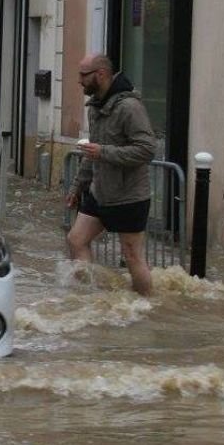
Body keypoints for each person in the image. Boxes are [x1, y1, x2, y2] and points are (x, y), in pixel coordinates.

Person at [65, 53, 157, 296]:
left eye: (84, 75)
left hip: (129, 195)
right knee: (76, 239)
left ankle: (148, 307)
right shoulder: (95, 107)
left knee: (132, 256)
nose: (79, 81)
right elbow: (91, 152)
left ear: (101, 74)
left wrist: (104, 151)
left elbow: (147, 150)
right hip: (100, 191)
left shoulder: (129, 107)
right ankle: (88, 297)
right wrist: (77, 187)